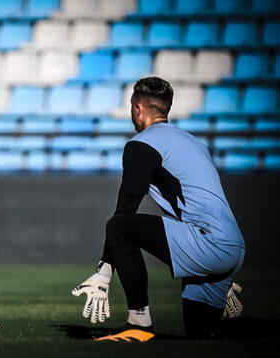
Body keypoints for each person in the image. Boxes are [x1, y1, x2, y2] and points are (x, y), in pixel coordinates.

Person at [72, 77, 245, 341]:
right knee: (203, 337)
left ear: (137, 108)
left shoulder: (142, 144)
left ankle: (139, 324)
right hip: (232, 246)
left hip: (208, 245)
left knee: (120, 226)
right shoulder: (193, 142)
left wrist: (104, 271)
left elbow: (125, 211)